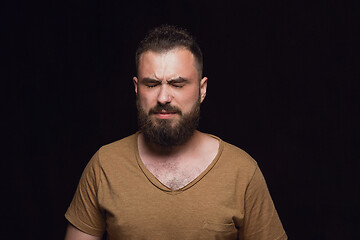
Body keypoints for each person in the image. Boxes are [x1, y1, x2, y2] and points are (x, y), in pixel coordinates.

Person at [64, 25, 287, 240]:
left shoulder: (242, 171)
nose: (163, 98)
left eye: (177, 84)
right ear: (136, 88)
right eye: (151, 84)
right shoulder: (105, 165)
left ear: (202, 90)